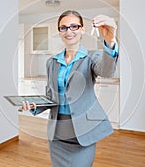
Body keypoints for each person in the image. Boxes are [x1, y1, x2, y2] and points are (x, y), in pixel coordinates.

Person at [20, 10, 119, 167]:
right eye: (64, 27)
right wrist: (35, 105)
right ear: (59, 31)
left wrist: (110, 41)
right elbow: (51, 97)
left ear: (82, 29)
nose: (69, 31)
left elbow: (107, 71)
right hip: (58, 132)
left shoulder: (92, 57)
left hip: (83, 131)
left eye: (74, 26)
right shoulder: (52, 62)